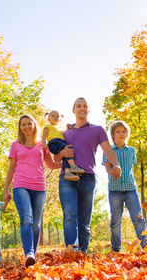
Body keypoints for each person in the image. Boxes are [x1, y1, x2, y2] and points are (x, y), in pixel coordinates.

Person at [54, 97, 122, 253]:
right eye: (79, 106)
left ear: (88, 110)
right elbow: (56, 158)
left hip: (88, 178)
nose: (82, 108)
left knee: (84, 221)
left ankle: (82, 252)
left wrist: (116, 165)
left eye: (85, 106)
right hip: (67, 177)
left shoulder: (97, 130)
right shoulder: (65, 132)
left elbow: (108, 150)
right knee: (70, 215)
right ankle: (72, 249)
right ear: (73, 110)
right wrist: (62, 152)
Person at [3, 114, 62, 267]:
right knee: (27, 218)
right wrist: (6, 189)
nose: (27, 126)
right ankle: (28, 252)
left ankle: (32, 258)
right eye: (23, 124)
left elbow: (53, 165)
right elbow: (11, 168)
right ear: (20, 127)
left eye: (29, 123)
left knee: (36, 225)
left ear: (34, 125)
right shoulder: (15, 144)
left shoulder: (42, 144)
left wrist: (68, 159)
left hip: (39, 187)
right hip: (20, 185)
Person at [102, 120, 147, 252]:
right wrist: (112, 172)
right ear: (113, 135)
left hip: (131, 189)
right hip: (115, 190)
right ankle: (116, 250)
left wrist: (132, 180)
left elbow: (131, 169)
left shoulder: (131, 151)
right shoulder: (108, 150)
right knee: (115, 222)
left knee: (138, 219)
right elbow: (107, 168)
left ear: (127, 134)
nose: (121, 134)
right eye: (118, 131)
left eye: (124, 131)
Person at [41, 110, 85, 181]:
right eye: (53, 116)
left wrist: (68, 128)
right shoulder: (48, 126)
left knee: (66, 154)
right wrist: (44, 143)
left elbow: (65, 135)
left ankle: (67, 172)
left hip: (60, 142)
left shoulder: (59, 129)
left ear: (60, 120)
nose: (55, 117)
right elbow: (44, 135)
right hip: (54, 142)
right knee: (67, 149)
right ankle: (73, 166)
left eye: (57, 116)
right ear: (48, 119)